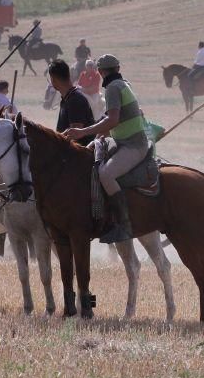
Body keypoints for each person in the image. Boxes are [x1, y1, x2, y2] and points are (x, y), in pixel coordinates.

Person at [63, 54, 147, 243]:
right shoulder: (124, 84)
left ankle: (123, 225)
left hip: (132, 145)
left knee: (106, 174)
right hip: (123, 141)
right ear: (117, 69)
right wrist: (94, 134)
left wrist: (83, 132)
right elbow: (110, 119)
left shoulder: (112, 89)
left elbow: (113, 120)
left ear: (100, 72)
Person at [49, 59, 95, 147]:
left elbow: (75, 135)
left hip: (79, 156)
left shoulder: (75, 100)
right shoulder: (68, 98)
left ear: (53, 79)